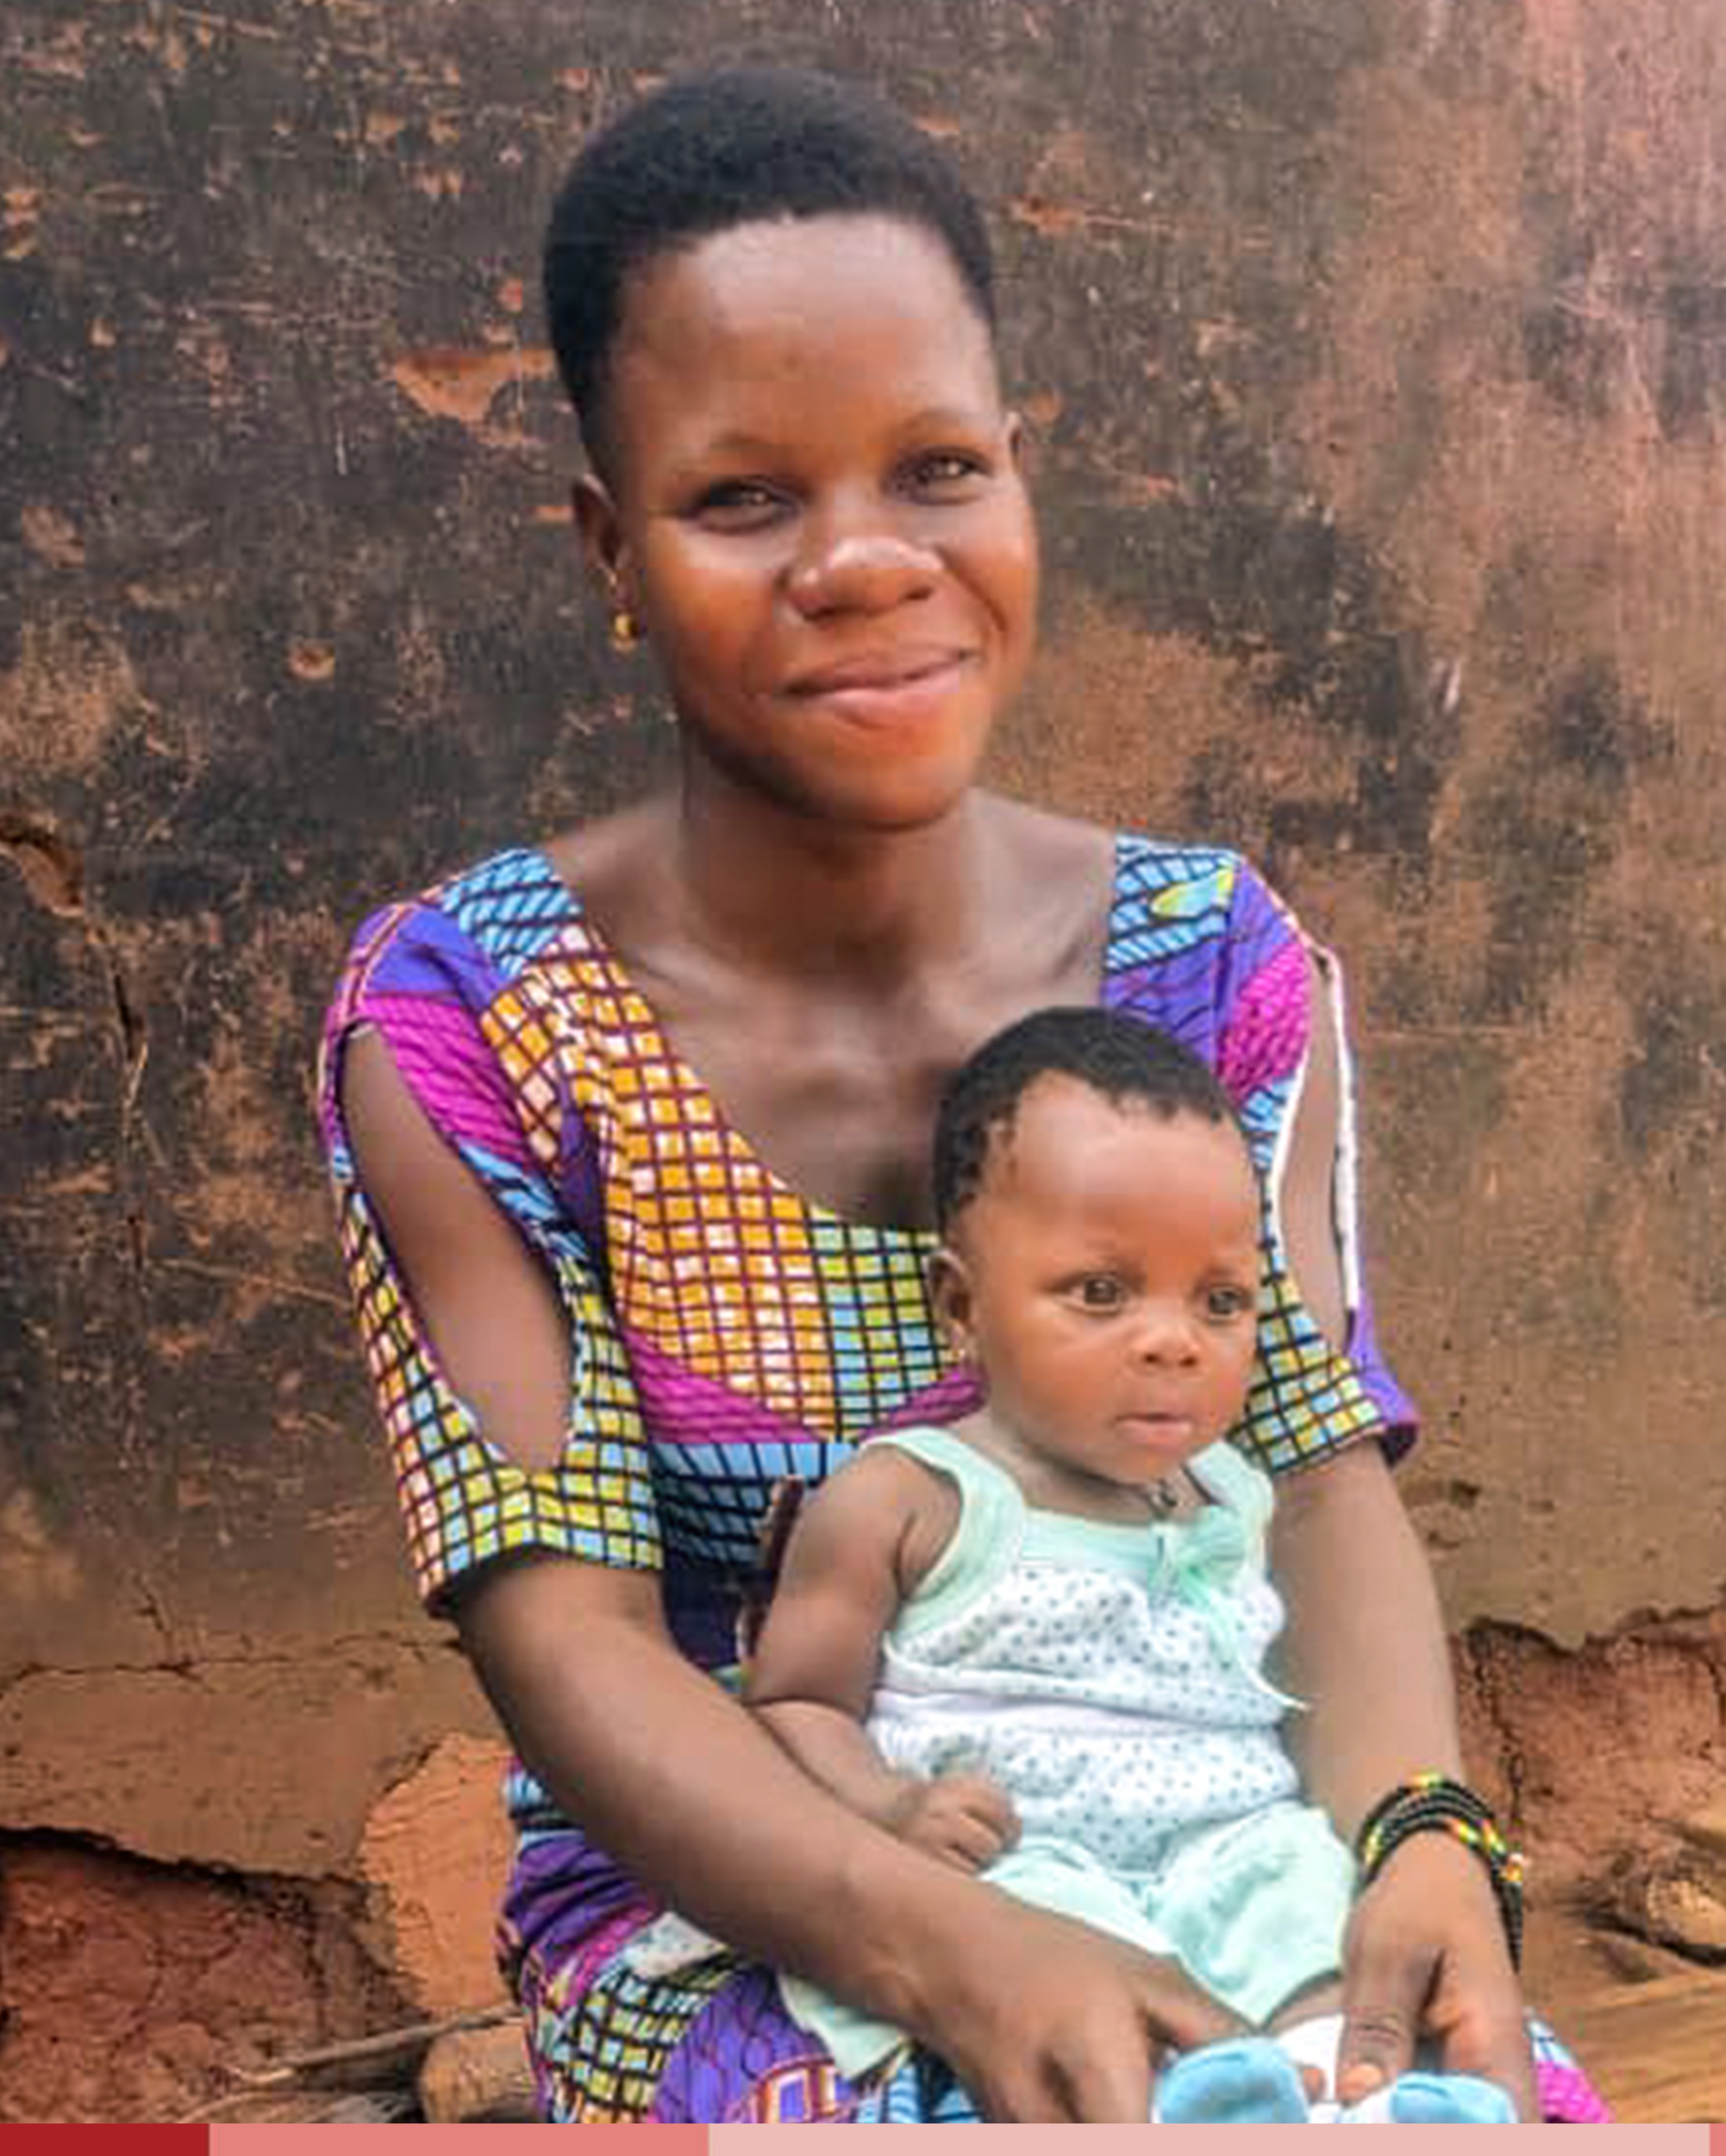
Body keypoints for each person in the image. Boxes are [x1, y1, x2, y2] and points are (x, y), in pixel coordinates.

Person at [313, 62, 1610, 2125]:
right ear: (611, 544)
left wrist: (1417, 1831)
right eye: (746, 497)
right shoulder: (477, 1020)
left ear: (1021, 475)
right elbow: (565, 1632)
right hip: (739, 1891)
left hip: (1202, 1831)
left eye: (933, 468)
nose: (863, 560)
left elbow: (1319, 1466)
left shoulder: (1215, 961)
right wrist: (950, 1941)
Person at [741, 1006, 1521, 2126]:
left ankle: (1346, 2093)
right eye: (1101, 1292)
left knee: (1309, 1899)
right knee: (1062, 1948)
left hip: (1223, 1843)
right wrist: (889, 1807)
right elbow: (795, 1697)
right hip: (1028, 1862)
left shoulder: (1235, 1495)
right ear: (960, 1305)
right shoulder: (909, 1498)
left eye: (1221, 1300)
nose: (1173, 1339)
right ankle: (1197, 2101)